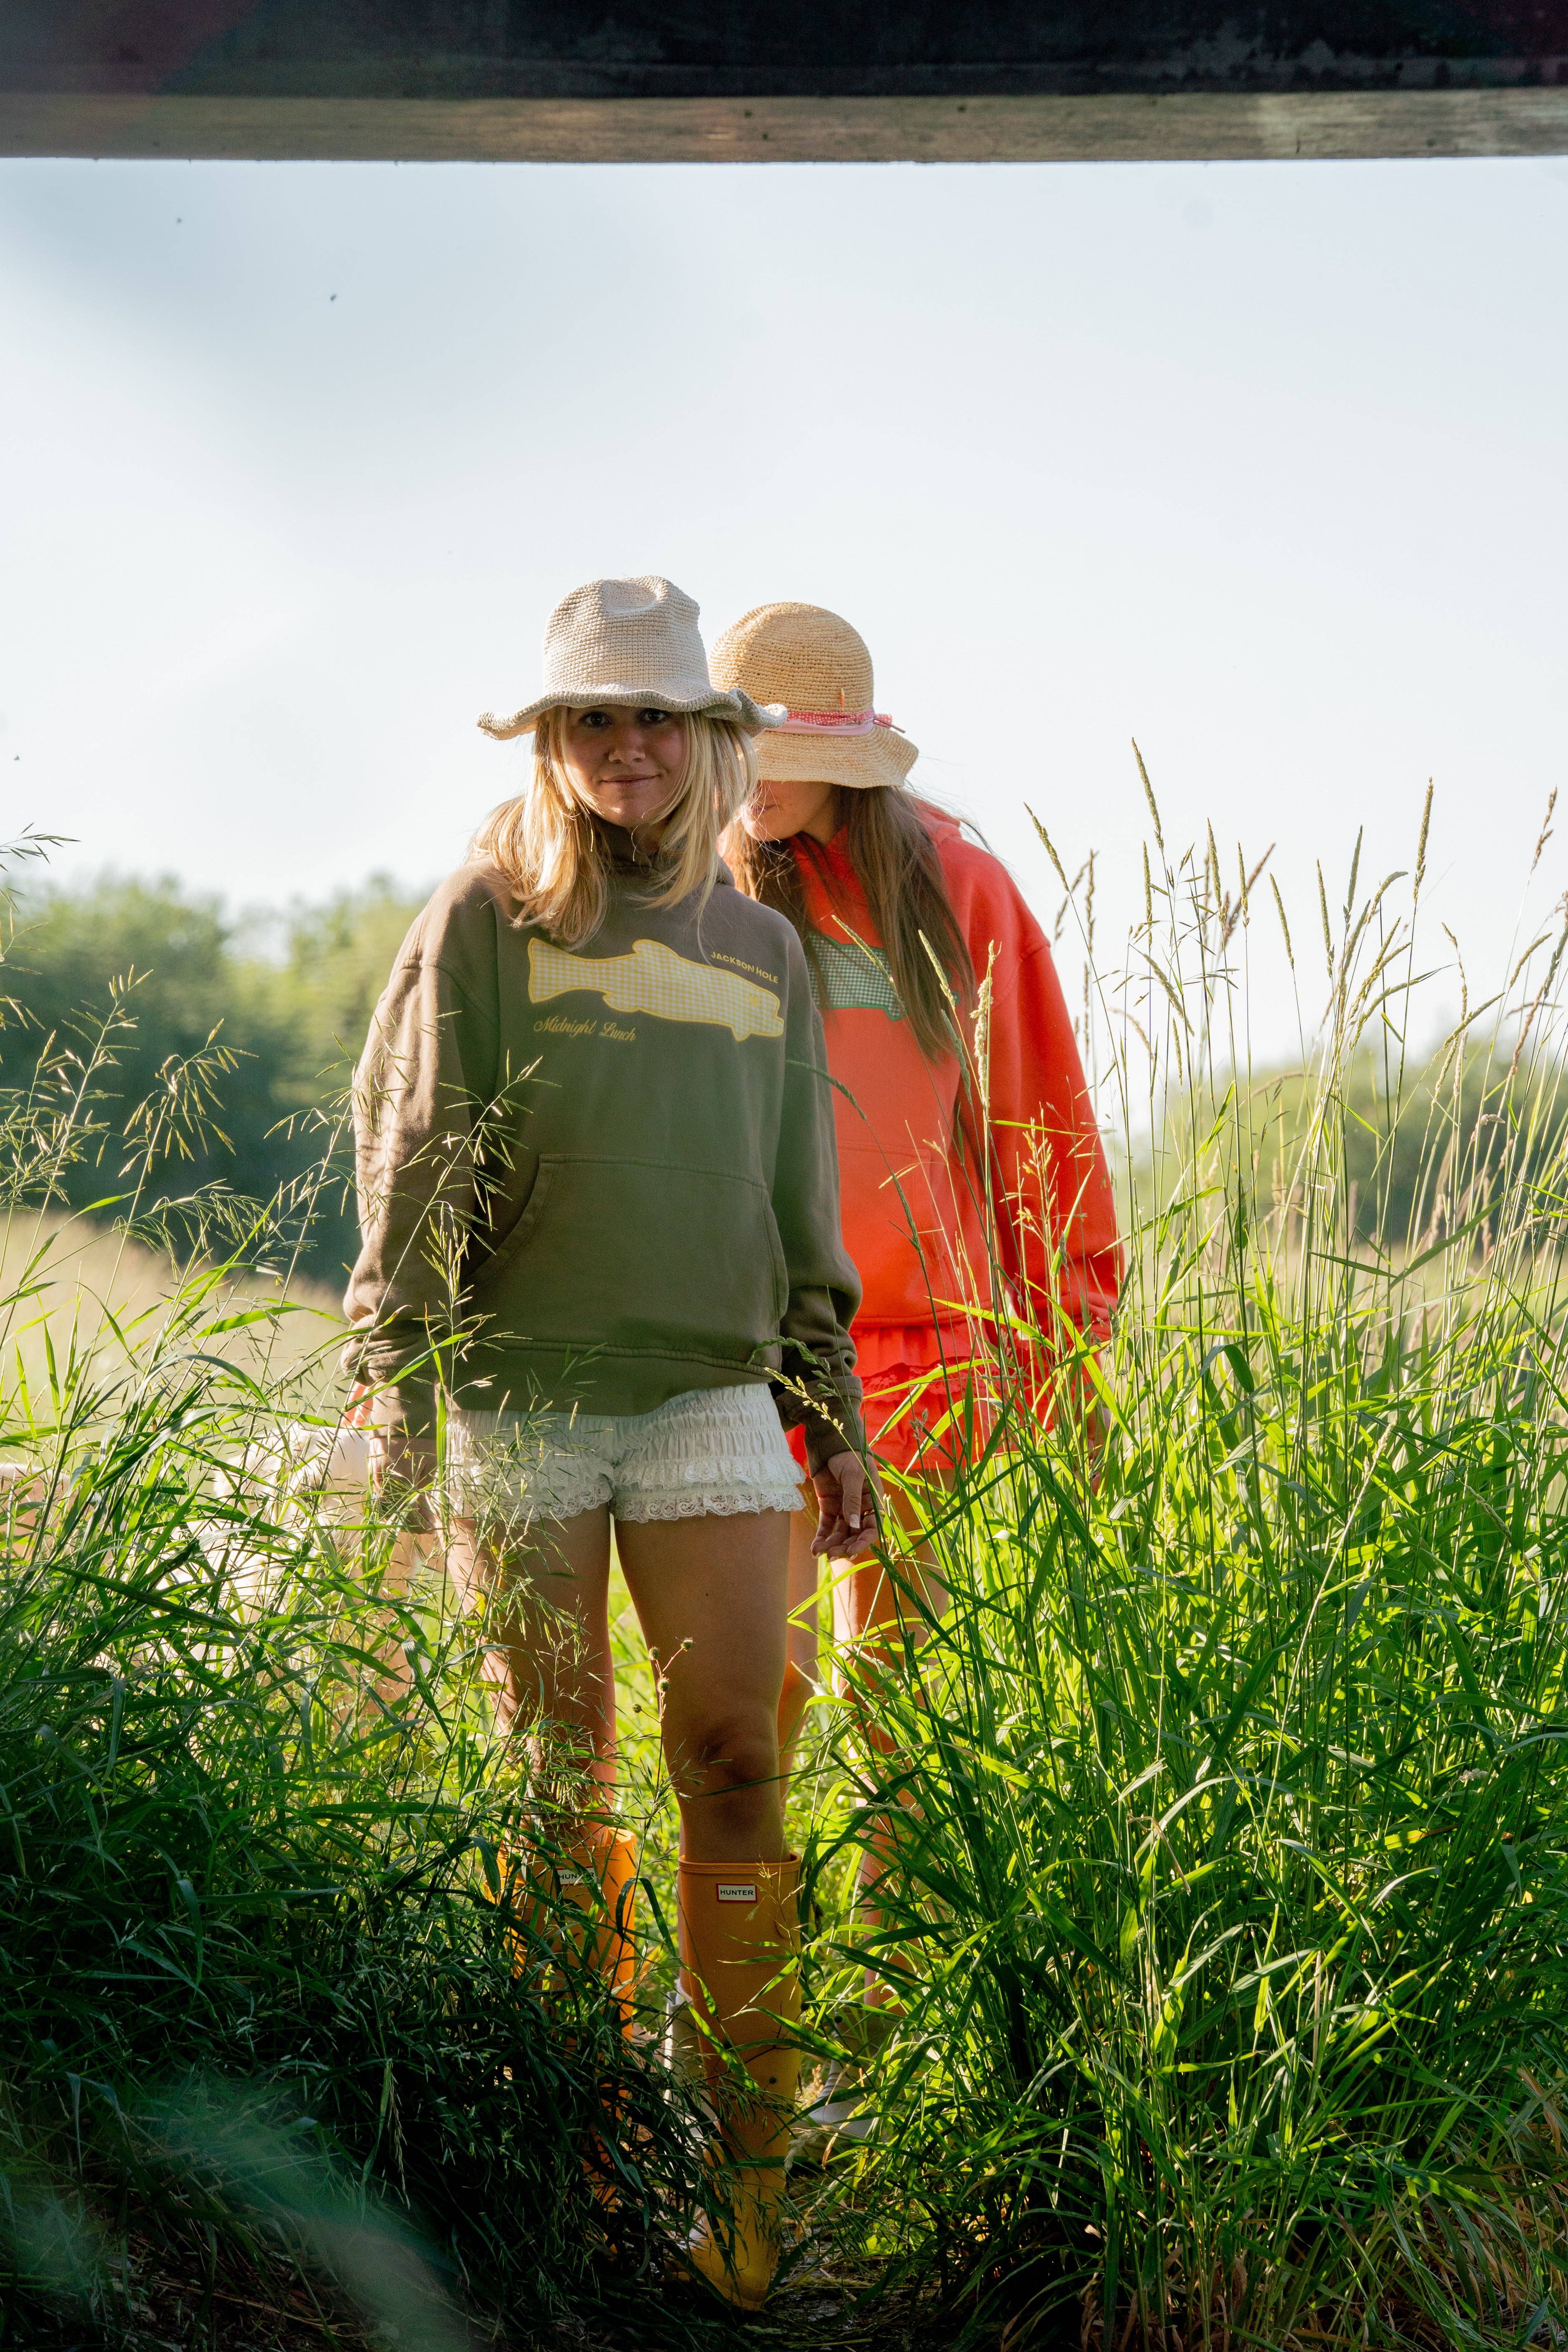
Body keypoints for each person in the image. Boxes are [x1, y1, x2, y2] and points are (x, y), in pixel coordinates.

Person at [341, 576, 872, 2311]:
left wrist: (833, 1406)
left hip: (714, 1395)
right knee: (550, 1779)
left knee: (736, 1759)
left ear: (712, 744)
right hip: (527, 1398)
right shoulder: (486, 922)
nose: (627, 746)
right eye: (594, 719)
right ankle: (570, 2165)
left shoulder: (764, 951)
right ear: (554, 744)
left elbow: (800, 1196)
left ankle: (746, 2196)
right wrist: (394, 1383)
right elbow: (415, 1151)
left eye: (658, 717)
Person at [712, 601, 1121, 1996]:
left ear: (859, 761)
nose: (756, 778)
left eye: (785, 749)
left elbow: (1038, 1119)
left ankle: (882, 2017)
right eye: (739, 746)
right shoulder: (692, 881)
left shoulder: (955, 884)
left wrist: (1066, 1345)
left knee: (901, 1706)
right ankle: (750, 2011)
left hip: (926, 1346)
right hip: (746, 1354)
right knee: (748, 1700)